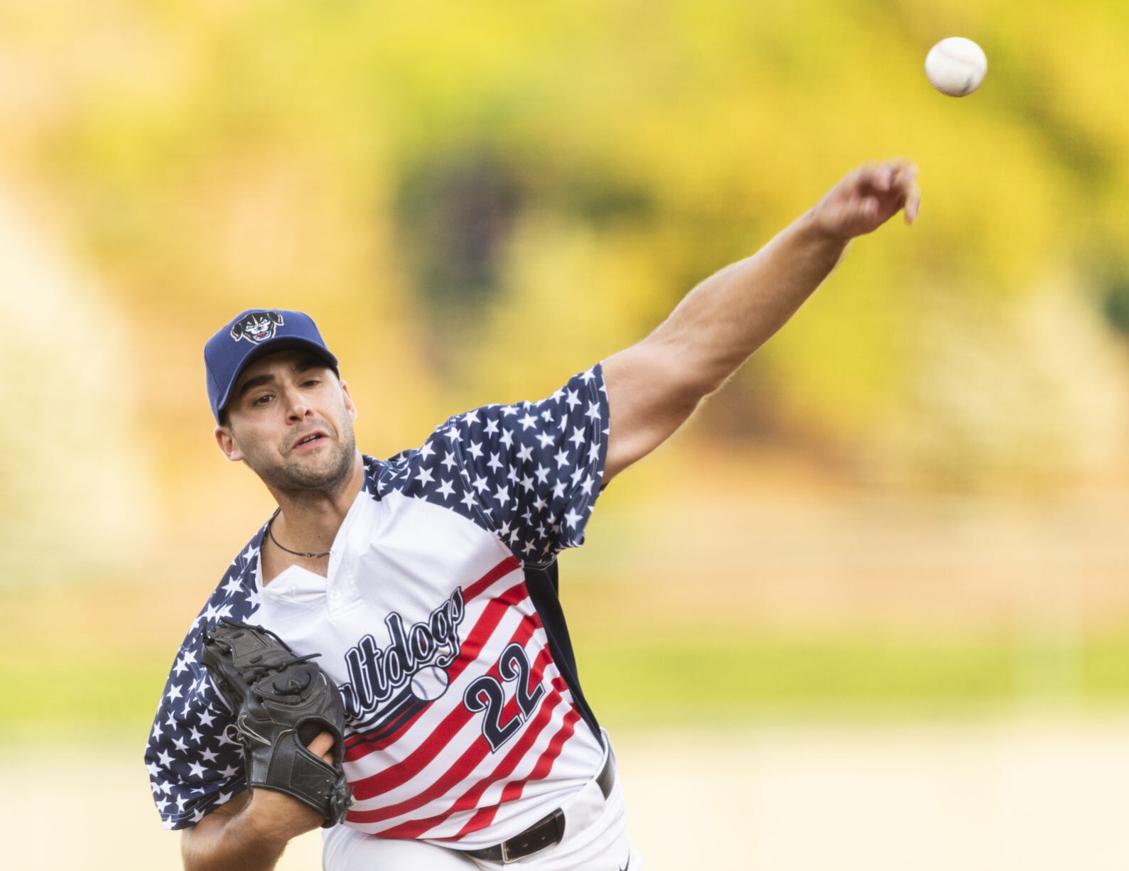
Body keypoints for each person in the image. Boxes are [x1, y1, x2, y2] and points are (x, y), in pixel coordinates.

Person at [144, 160, 920, 870]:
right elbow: (202, 846)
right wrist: (264, 825)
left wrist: (821, 231)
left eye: (310, 379)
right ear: (229, 441)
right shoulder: (235, 633)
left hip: (580, 834)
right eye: (261, 398)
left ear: (347, 396)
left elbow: (681, 359)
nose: (296, 406)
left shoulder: (468, 477)